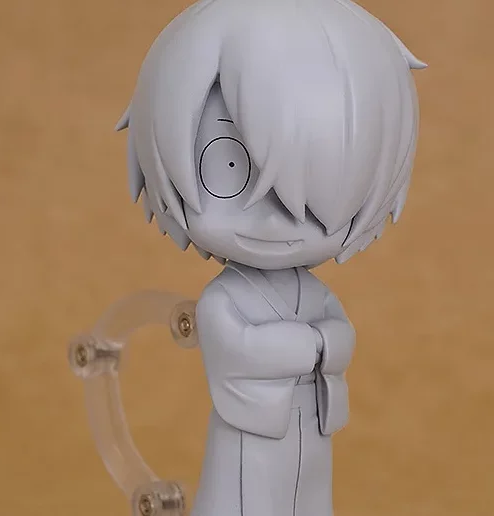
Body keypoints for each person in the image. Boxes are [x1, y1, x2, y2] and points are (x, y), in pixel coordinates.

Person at [116, 0, 426, 514]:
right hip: (252, 433)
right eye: (227, 166)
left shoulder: (314, 295)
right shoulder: (224, 301)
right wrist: (312, 346)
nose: (272, 219)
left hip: (310, 427)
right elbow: (241, 349)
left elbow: (342, 337)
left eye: (314, 186)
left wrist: (319, 345)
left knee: (310, 500)